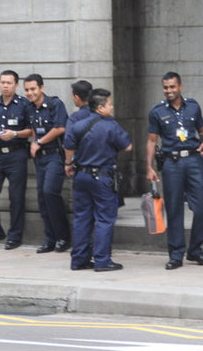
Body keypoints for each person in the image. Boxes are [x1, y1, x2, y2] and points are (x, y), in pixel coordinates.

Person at [146, 71, 203, 270]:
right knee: (174, 209)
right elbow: (151, 140)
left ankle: (195, 250)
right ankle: (176, 254)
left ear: (180, 87)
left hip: (194, 160)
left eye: (172, 87)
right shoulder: (156, 111)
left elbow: (202, 130)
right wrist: (148, 167)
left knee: (201, 207)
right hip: (172, 163)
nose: (169, 91)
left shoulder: (193, 106)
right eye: (166, 87)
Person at [64, 88, 132, 272]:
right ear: (101, 108)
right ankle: (102, 260)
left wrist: (68, 163)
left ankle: (79, 260)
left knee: (82, 218)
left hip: (81, 176)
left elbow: (68, 145)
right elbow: (128, 146)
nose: (112, 107)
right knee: (104, 219)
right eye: (109, 104)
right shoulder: (111, 126)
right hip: (102, 178)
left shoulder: (78, 124)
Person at [0, 70, 33, 250]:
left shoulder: (24, 104)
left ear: (16, 85)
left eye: (9, 83)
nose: (5, 86)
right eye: (2, 82)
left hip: (16, 154)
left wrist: (15, 133)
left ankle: (14, 236)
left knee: (16, 196)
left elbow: (31, 130)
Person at [24, 73, 71, 254]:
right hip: (40, 158)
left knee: (50, 192)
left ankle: (62, 237)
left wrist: (39, 142)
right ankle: (49, 239)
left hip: (55, 156)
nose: (30, 93)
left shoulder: (54, 104)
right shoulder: (30, 108)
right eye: (27, 90)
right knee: (42, 199)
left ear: (42, 88)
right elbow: (34, 129)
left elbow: (60, 128)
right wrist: (34, 143)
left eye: (33, 89)